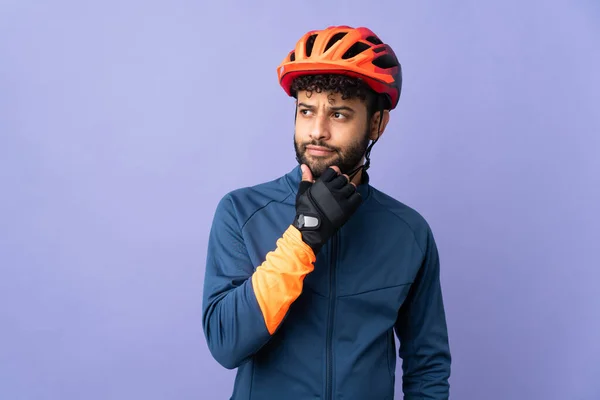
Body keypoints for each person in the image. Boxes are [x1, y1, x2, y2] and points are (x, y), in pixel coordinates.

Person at [202, 25, 451, 399]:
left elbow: (427, 365)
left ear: (377, 124)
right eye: (306, 110)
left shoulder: (409, 231)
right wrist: (303, 236)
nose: (317, 131)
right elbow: (227, 344)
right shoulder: (241, 211)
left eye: (338, 114)